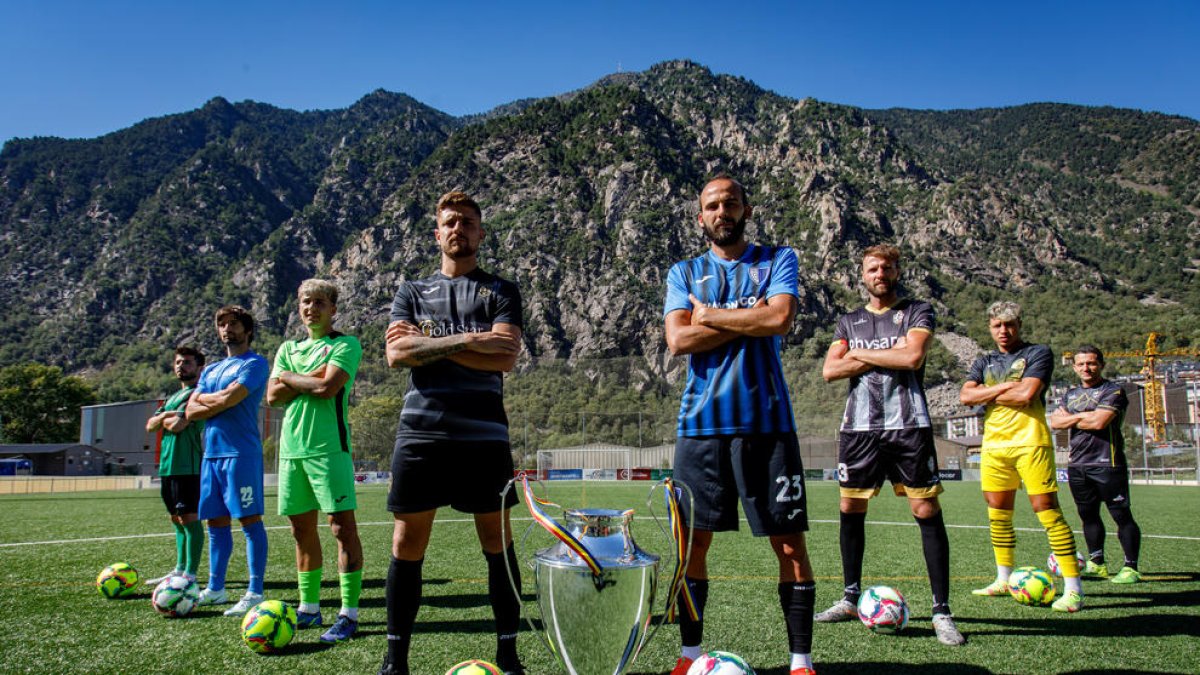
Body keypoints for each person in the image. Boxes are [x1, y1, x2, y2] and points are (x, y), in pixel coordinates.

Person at [663, 176, 816, 675]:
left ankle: (800, 661)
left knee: (789, 543)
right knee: (693, 545)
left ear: (746, 209)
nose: (721, 211)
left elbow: (779, 320)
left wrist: (710, 316)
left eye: (730, 202)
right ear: (700, 216)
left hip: (768, 424)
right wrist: (745, 316)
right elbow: (679, 341)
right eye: (712, 205)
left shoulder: (778, 259)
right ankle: (688, 656)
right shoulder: (684, 272)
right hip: (700, 427)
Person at [379, 191, 524, 675]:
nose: (458, 227)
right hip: (421, 433)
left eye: (467, 221)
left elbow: (505, 354)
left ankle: (509, 653)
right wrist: (470, 340)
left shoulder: (501, 290)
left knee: (497, 543)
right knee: (406, 543)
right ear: (437, 234)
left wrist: (433, 343)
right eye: (449, 222)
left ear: (481, 233)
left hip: (484, 435)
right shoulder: (411, 291)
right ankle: (395, 660)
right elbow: (397, 355)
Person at [818, 244, 964, 645]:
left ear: (897, 271)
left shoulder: (917, 311)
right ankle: (849, 597)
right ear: (862, 275)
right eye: (872, 268)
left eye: (886, 267)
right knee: (850, 505)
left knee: (925, 506)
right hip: (859, 429)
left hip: (908, 425)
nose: (879, 273)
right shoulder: (849, 320)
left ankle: (941, 611)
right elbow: (831, 369)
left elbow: (913, 356)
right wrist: (886, 353)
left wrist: (860, 354)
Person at [960, 301, 1083, 612]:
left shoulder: (1037, 353)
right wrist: (1005, 388)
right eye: (997, 325)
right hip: (993, 446)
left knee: (1047, 511)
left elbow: (1026, 394)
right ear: (989, 327)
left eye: (1010, 324)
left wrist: (986, 393)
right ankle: (1003, 578)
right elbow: (965, 396)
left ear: (1019, 325)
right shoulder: (984, 360)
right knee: (998, 513)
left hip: (1031, 442)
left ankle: (1073, 589)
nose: (1004, 331)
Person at [267, 279, 365, 643]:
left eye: (321, 302)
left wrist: (289, 377)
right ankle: (309, 609)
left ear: (333, 309)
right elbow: (272, 396)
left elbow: (328, 388)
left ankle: (349, 613)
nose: (312, 308)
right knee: (300, 531)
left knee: (342, 529)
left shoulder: (345, 344)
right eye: (306, 302)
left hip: (329, 450)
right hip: (292, 452)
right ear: (299, 307)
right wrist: (304, 378)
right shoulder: (287, 347)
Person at [186, 305, 271, 616]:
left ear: (247, 330)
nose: (227, 330)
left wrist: (208, 400)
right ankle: (216, 588)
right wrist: (214, 401)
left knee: (249, 521)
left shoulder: (256, 363)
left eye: (233, 324)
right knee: (215, 523)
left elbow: (228, 400)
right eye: (222, 324)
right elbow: (191, 411)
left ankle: (254, 591)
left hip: (240, 454)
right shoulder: (209, 370)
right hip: (212, 454)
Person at [1049, 346, 1142, 583]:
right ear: (1074, 367)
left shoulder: (1114, 390)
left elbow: (1100, 422)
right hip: (1078, 464)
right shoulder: (1069, 394)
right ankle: (1097, 563)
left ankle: (1131, 567)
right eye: (1080, 364)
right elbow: (1056, 423)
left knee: (1121, 515)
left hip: (1108, 463)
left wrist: (1074, 418)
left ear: (1101, 364)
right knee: (1088, 516)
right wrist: (1086, 416)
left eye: (1090, 363)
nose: (1086, 368)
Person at [143, 346, 206, 585]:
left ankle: (191, 573)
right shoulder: (172, 398)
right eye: (179, 362)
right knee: (176, 519)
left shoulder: (197, 394)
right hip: (168, 467)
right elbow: (151, 425)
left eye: (188, 362)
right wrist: (164, 417)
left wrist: (163, 418)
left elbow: (178, 425)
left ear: (200, 368)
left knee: (189, 519)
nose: (182, 366)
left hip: (188, 466)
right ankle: (179, 569)